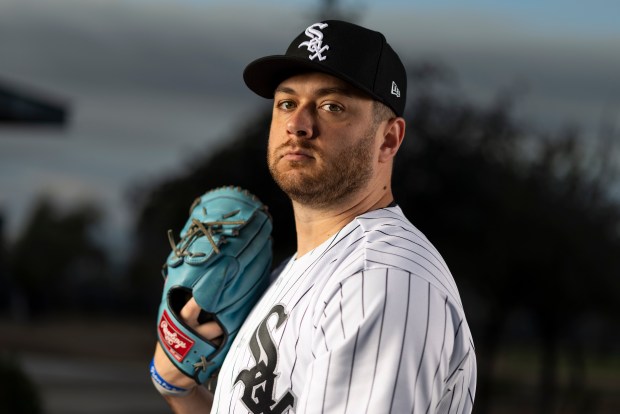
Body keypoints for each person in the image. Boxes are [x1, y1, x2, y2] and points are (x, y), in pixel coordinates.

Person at [151, 19, 477, 413]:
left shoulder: (380, 281)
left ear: (388, 139)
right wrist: (178, 389)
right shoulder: (298, 273)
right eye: (287, 103)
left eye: (331, 106)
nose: (298, 124)